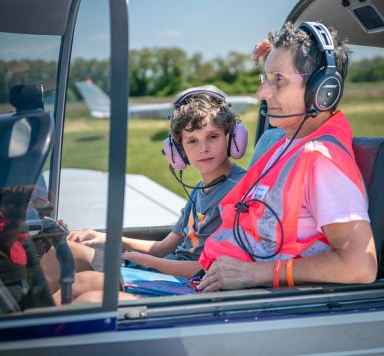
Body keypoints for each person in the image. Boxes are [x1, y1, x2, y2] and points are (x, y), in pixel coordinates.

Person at [197, 21, 377, 293]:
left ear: (323, 91)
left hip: (255, 305)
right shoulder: (287, 143)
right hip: (218, 285)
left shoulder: (322, 161)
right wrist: (276, 61)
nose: (262, 93)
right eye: (266, 79)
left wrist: (252, 273)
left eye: (278, 80)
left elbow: (360, 266)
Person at [42, 90, 246, 301]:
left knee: (83, 284)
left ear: (231, 138)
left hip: (193, 282)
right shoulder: (200, 190)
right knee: (64, 251)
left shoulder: (240, 189)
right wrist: (105, 238)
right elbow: (162, 247)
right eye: (192, 141)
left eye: (212, 137)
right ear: (178, 151)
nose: (203, 148)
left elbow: (214, 268)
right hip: (168, 267)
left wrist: (149, 262)